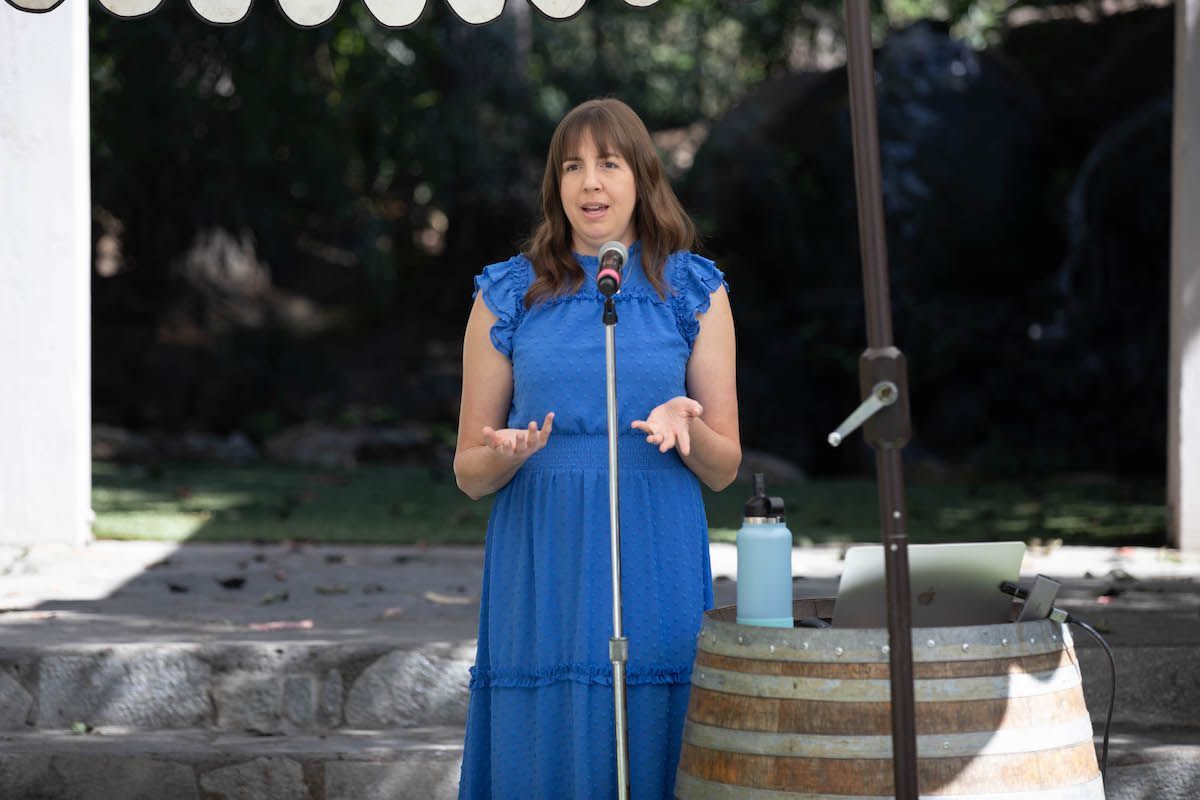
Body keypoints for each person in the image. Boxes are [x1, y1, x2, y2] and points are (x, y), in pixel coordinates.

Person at [453, 97, 741, 799]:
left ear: (640, 176)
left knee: (653, 721)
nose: (590, 183)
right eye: (573, 167)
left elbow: (725, 465)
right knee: (546, 730)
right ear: (555, 186)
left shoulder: (694, 289)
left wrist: (686, 425)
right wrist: (508, 453)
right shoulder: (507, 294)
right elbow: (468, 470)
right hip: (543, 546)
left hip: (656, 540)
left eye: (608, 164)